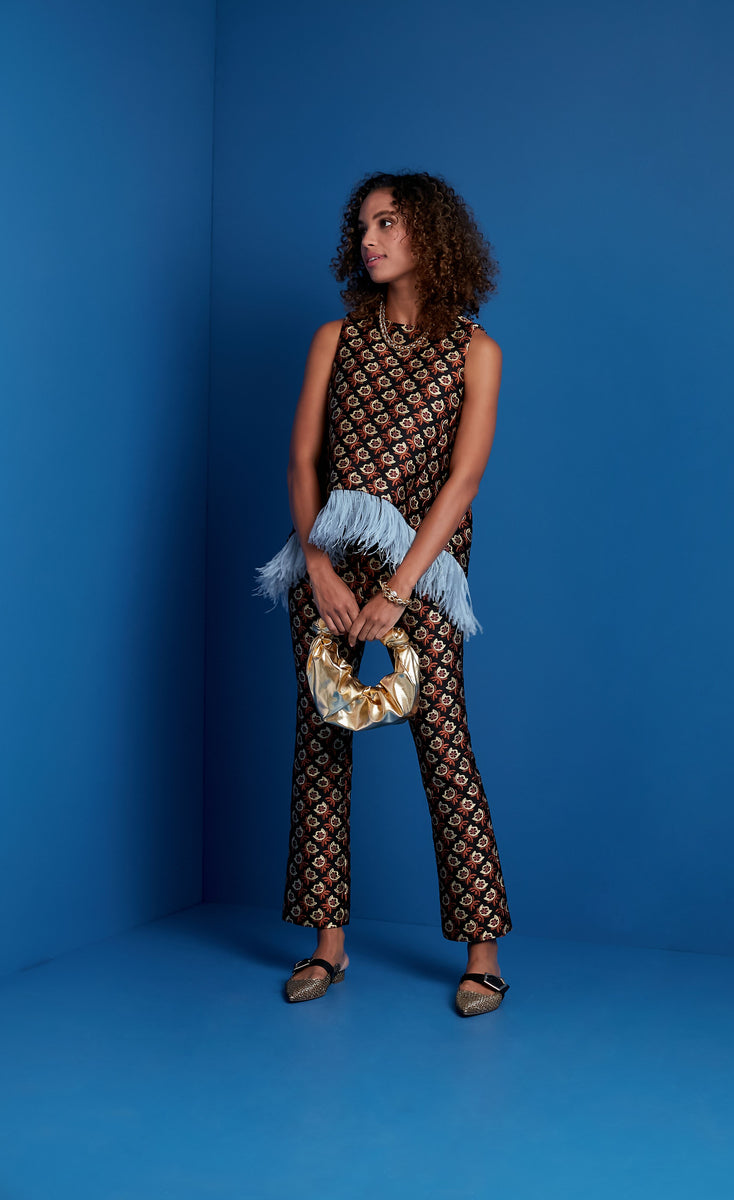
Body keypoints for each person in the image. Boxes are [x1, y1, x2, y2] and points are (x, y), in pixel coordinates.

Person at [255, 171, 512, 1016]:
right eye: (363, 225)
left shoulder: (477, 351)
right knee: (322, 742)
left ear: (430, 234)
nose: (369, 239)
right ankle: (326, 947)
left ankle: (482, 953)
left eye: (388, 222)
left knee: (444, 745)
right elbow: (302, 461)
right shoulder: (335, 338)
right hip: (328, 560)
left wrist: (399, 590)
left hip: (421, 572)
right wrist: (319, 568)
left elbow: (463, 482)